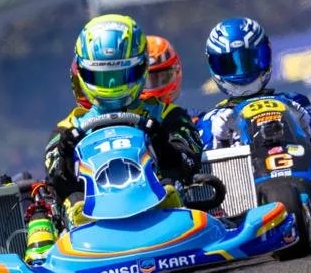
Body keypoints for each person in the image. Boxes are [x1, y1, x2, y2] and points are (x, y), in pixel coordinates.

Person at [41, 14, 211, 221]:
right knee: (59, 190)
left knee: (173, 174)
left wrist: (161, 143)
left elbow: (189, 157)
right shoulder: (69, 128)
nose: (112, 85)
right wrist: (66, 153)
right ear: (83, 74)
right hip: (92, 218)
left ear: (141, 69)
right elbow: (56, 177)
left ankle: (167, 197)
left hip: (164, 212)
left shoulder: (167, 115)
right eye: (103, 77)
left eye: (121, 75)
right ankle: (79, 215)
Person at [196, 17, 311, 152]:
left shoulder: (294, 101)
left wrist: (302, 120)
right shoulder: (211, 119)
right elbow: (207, 162)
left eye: (248, 61)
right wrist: (220, 139)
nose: (242, 71)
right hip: (246, 173)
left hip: (303, 170)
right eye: (230, 64)